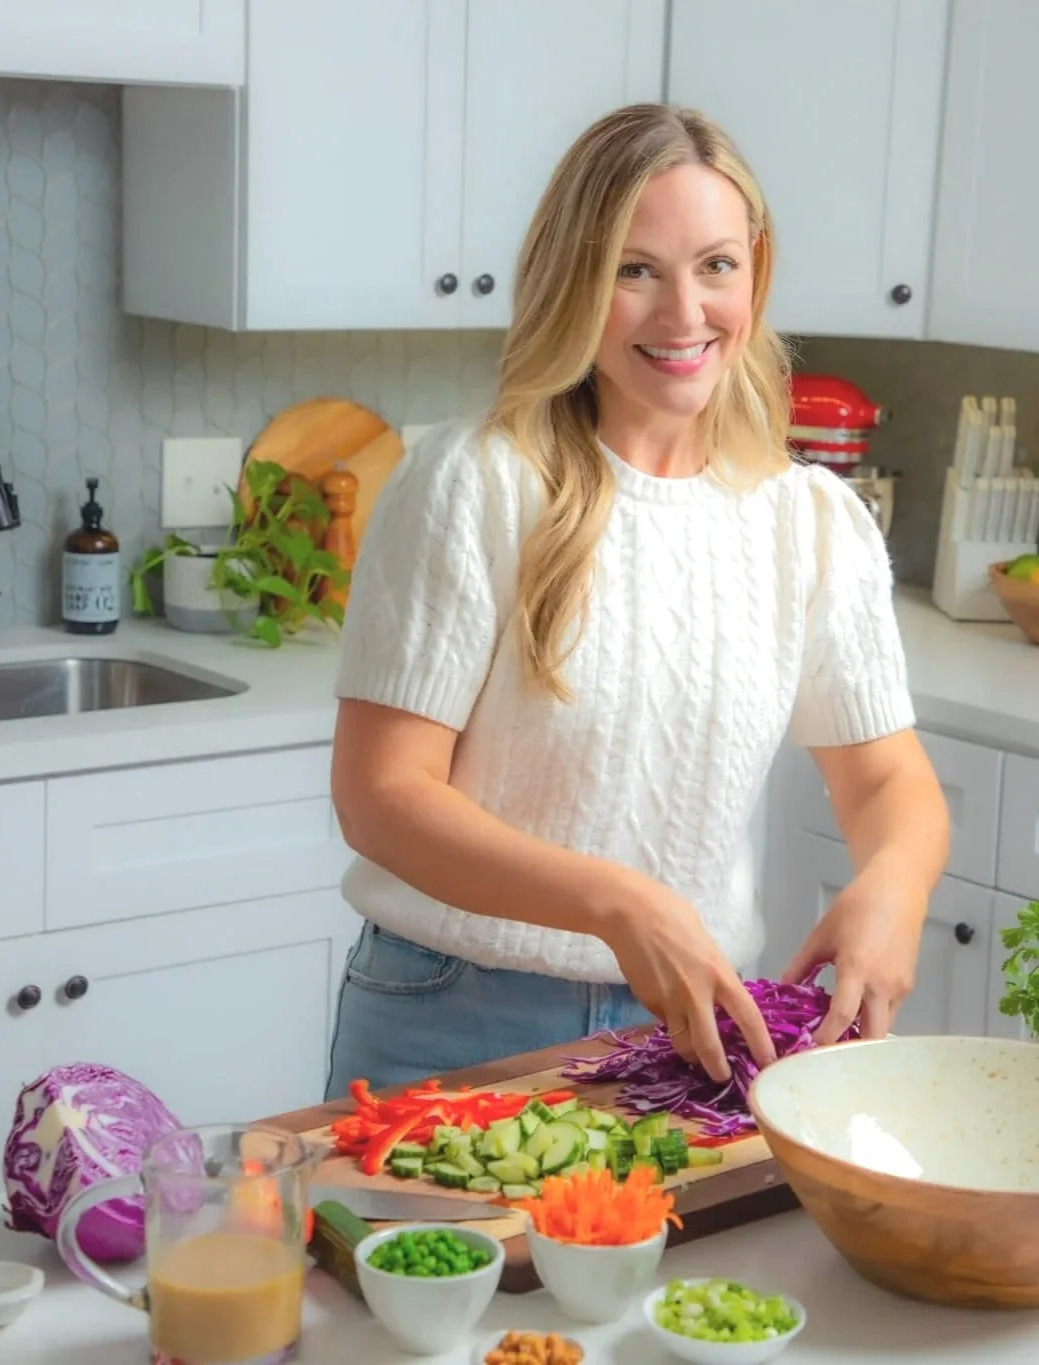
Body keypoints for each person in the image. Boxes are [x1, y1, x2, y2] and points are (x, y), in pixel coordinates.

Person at [323, 103, 950, 1098]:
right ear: (572, 283)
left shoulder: (809, 520)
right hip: (453, 1020)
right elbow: (382, 798)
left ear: (756, 272)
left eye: (714, 266)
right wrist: (616, 903)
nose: (682, 315)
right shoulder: (473, 482)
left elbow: (885, 783)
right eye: (633, 270)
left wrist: (894, 887)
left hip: (691, 1035)